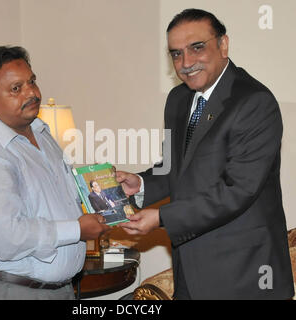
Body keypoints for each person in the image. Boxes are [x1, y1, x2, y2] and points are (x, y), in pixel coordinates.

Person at [117, 9, 294, 300]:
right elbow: (174, 167)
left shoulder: (254, 102)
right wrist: (141, 184)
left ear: (223, 44)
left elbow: (237, 191)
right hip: (190, 268)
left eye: (196, 48)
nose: (185, 63)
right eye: (176, 54)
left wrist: (162, 217)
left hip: (245, 275)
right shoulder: (178, 99)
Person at [0, 46, 110, 300]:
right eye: (16, 88)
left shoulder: (40, 133)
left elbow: (61, 200)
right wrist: (77, 230)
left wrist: (106, 188)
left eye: (32, 81)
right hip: (12, 292)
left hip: (58, 290)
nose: (32, 93)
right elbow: (8, 237)